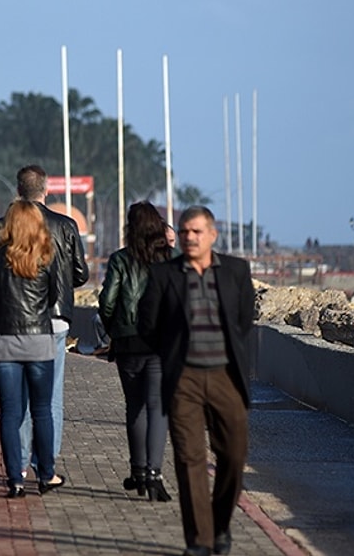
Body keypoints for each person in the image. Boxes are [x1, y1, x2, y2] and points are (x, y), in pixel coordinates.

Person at [138, 206, 255, 556]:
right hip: (184, 378)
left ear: (212, 235)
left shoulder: (236, 271)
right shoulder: (164, 274)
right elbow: (148, 323)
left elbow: (244, 319)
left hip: (225, 376)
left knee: (233, 455)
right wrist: (172, 352)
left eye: (196, 232)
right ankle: (200, 541)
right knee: (189, 459)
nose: (189, 237)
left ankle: (220, 525)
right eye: (184, 232)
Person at [0, 164, 88, 481]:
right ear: (47, 190)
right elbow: (80, 274)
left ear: (18, 191)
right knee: (49, 398)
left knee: (14, 404)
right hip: (53, 320)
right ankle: (47, 462)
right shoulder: (65, 224)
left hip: (9, 323)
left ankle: (18, 467)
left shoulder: (2, 226)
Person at [0, 200, 60, 498]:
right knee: (42, 410)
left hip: (5, 341)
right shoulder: (46, 256)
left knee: (10, 412)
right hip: (39, 339)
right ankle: (46, 474)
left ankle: (15, 478)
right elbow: (53, 297)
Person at [98, 201, 173, 502]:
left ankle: (138, 471)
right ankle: (154, 473)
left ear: (130, 227)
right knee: (158, 407)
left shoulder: (120, 259)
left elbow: (106, 302)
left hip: (128, 343)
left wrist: (115, 331)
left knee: (135, 406)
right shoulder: (171, 259)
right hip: (160, 344)